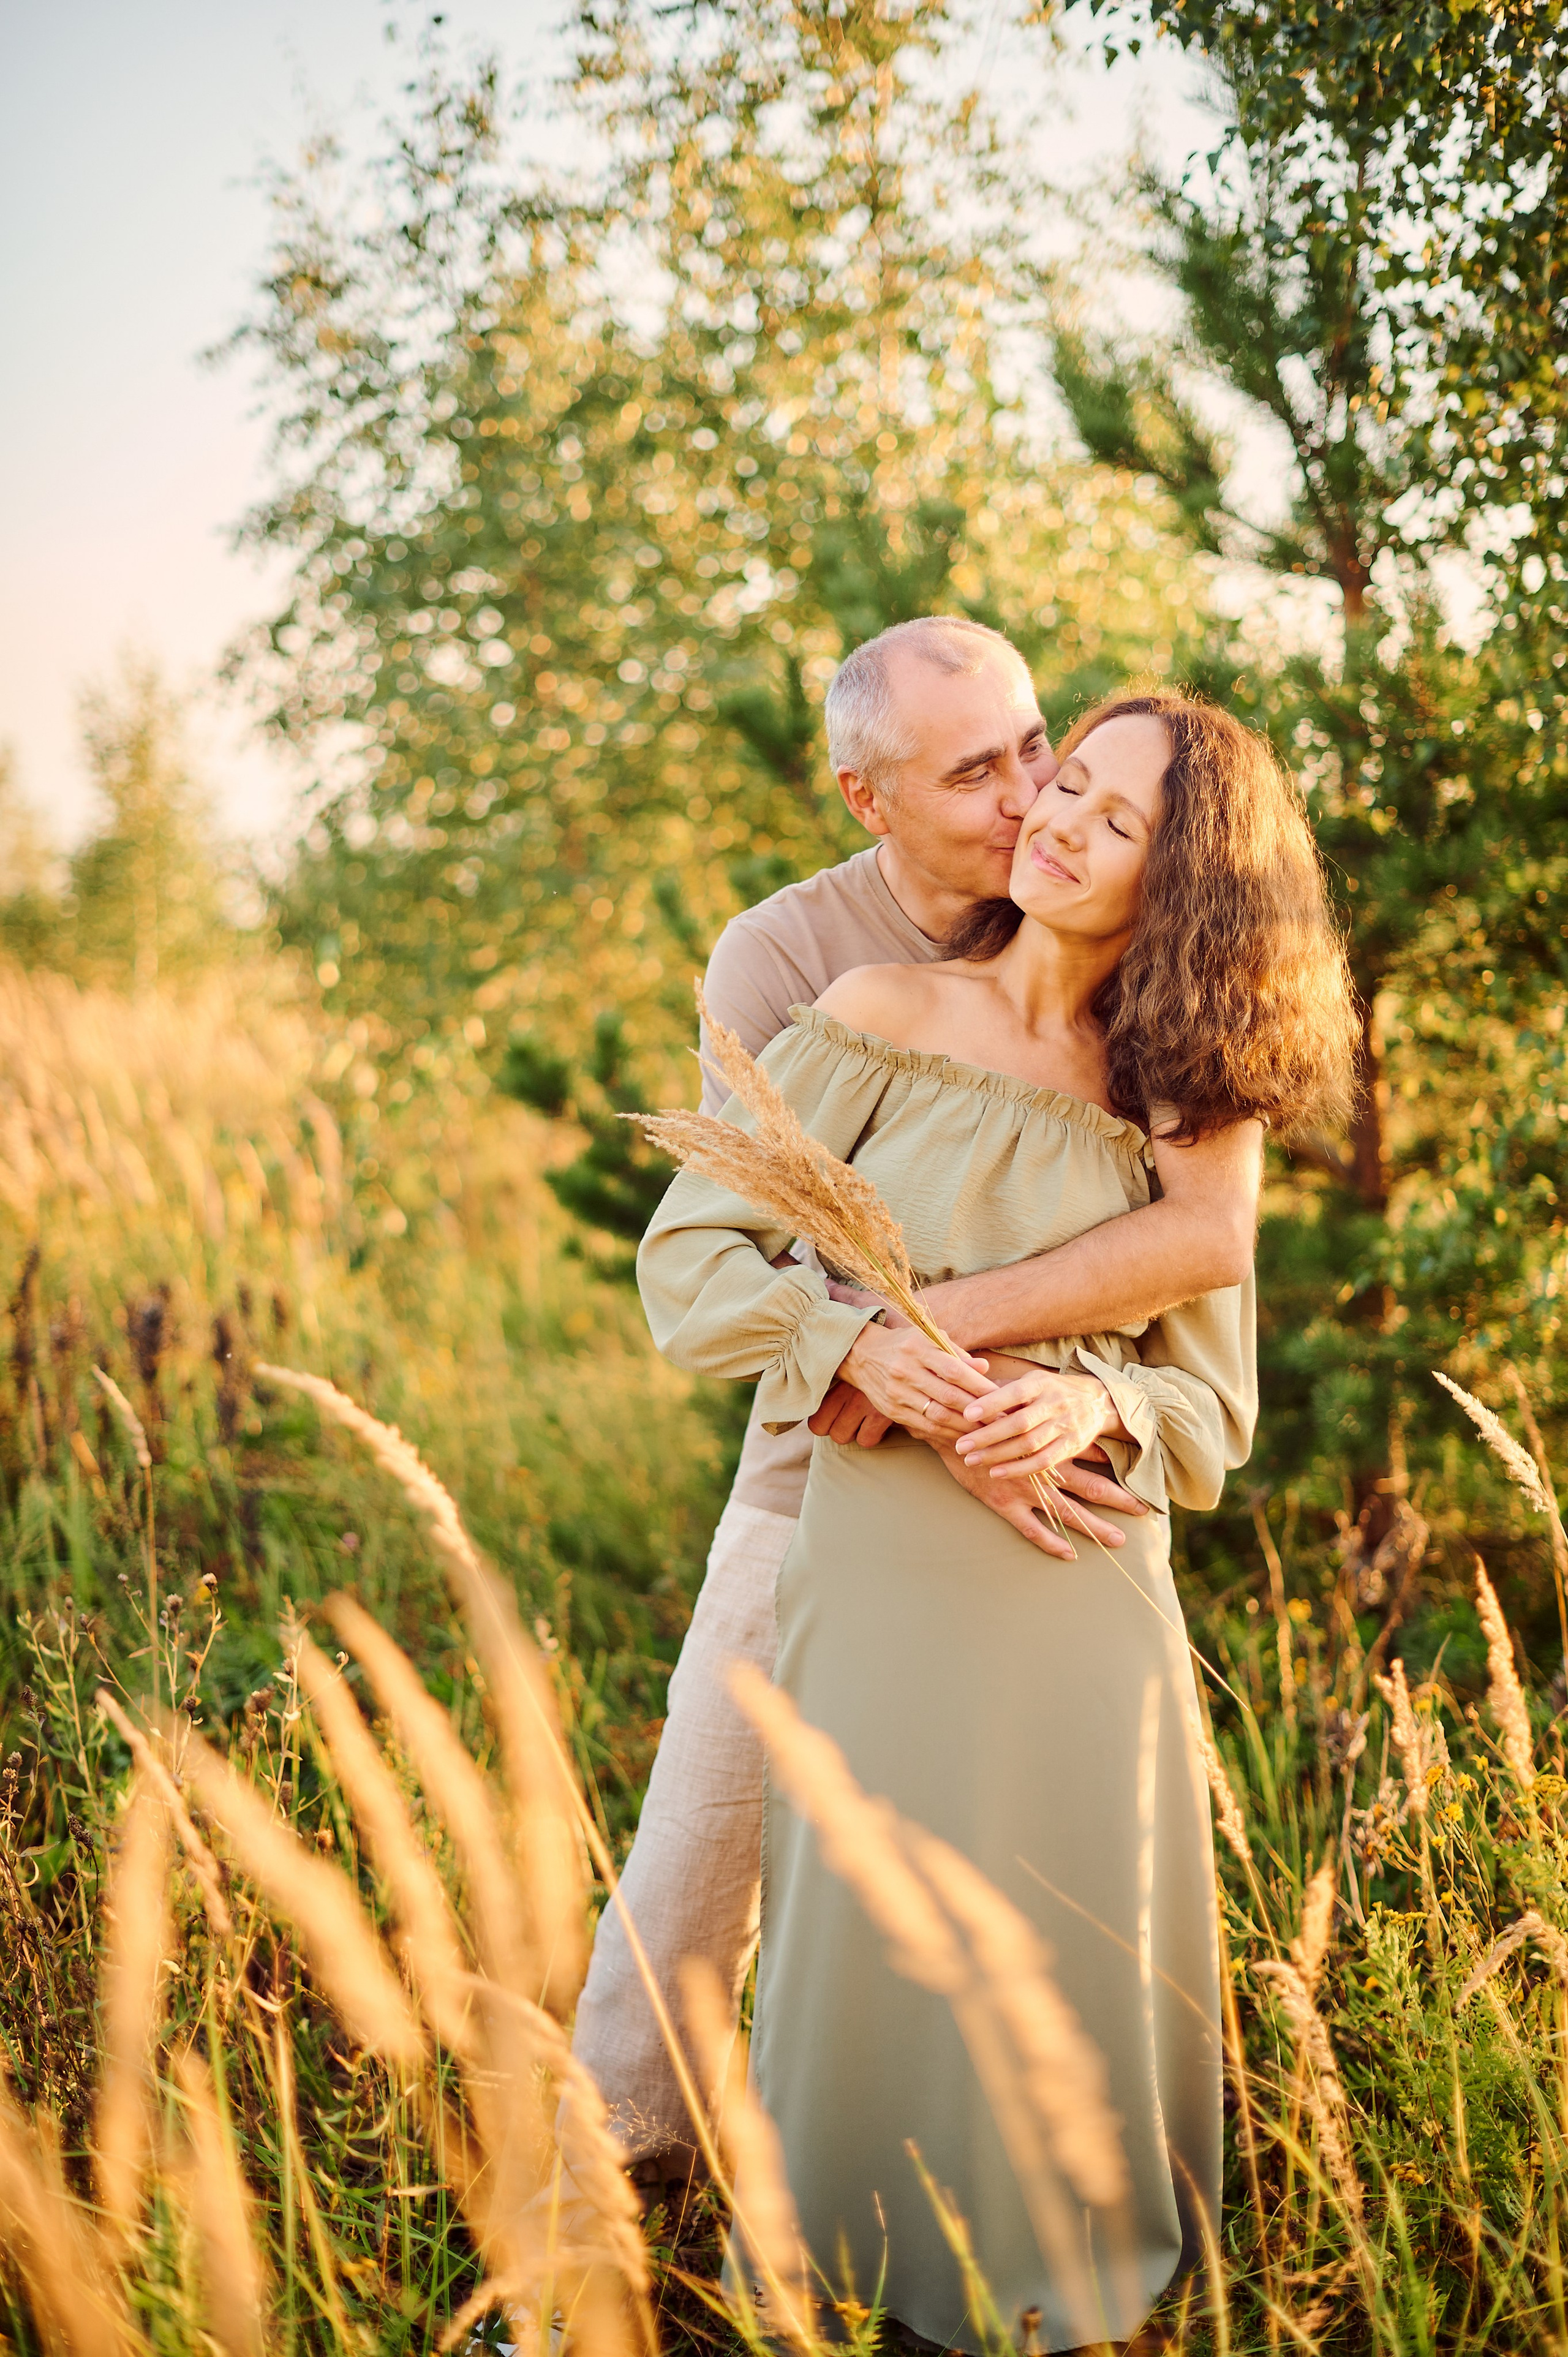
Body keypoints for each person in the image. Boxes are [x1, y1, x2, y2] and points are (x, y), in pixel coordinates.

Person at [635, 687, 1357, 2347]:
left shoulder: (1188, 1094)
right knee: (857, 1933)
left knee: (1069, 1941)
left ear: (1187, 886)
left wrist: (1095, 1399)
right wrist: (864, 1342)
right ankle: (835, 2282)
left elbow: (1210, 1413)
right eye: (1065, 783)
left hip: (1086, 1585)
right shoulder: (881, 1010)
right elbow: (689, 1269)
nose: (1058, 823)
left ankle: (1072, 2293)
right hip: (879, 1567)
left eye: (1118, 824)